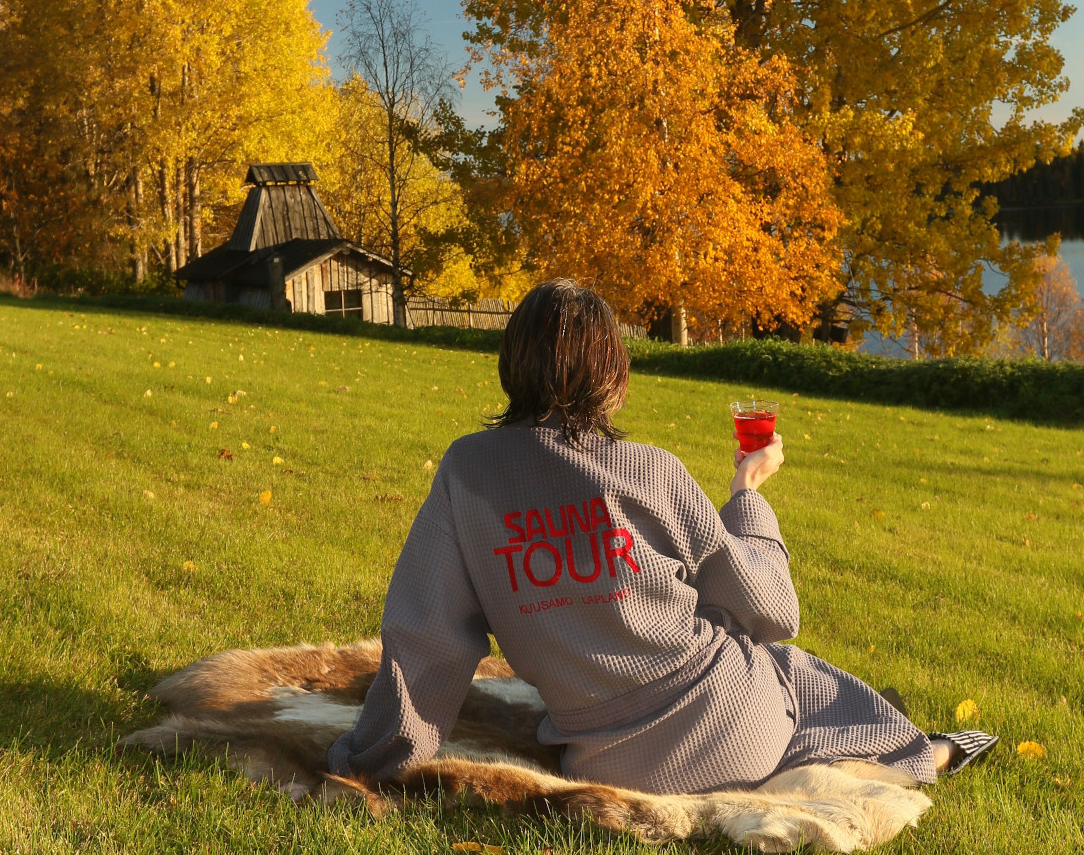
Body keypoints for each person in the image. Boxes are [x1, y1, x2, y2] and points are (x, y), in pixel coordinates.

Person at [327, 280, 997, 793]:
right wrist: (746, 496)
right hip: (732, 724)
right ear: (612, 370)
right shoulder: (650, 471)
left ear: (513, 361)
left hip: (607, 756)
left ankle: (891, 738)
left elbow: (427, 641)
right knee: (792, 671)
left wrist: (370, 764)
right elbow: (773, 610)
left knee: (779, 673)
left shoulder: (466, 472)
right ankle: (926, 750)